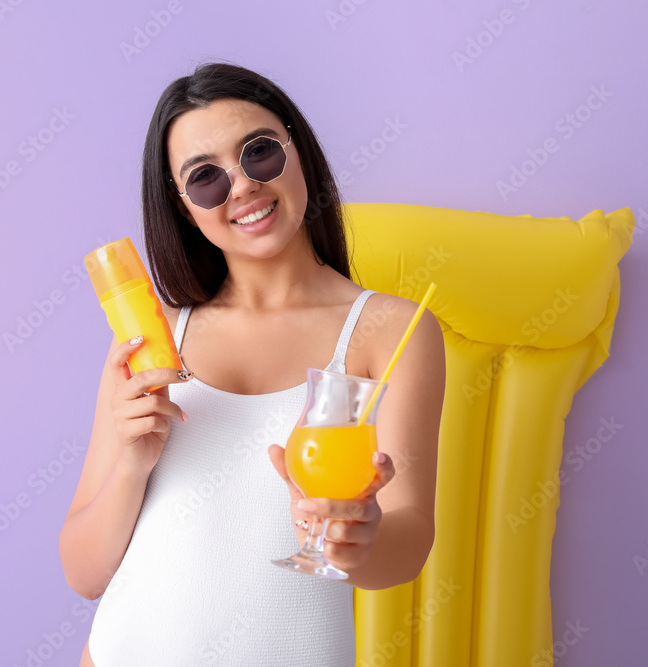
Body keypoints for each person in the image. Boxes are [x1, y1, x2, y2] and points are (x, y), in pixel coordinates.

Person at [59, 61, 446, 666]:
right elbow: (84, 573)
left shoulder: (389, 331)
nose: (240, 186)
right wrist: (132, 463)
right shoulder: (156, 337)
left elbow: (410, 541)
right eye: (205, 178)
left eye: (259, 154)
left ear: (298, 153)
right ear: (186, 207)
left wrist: (356, 539)